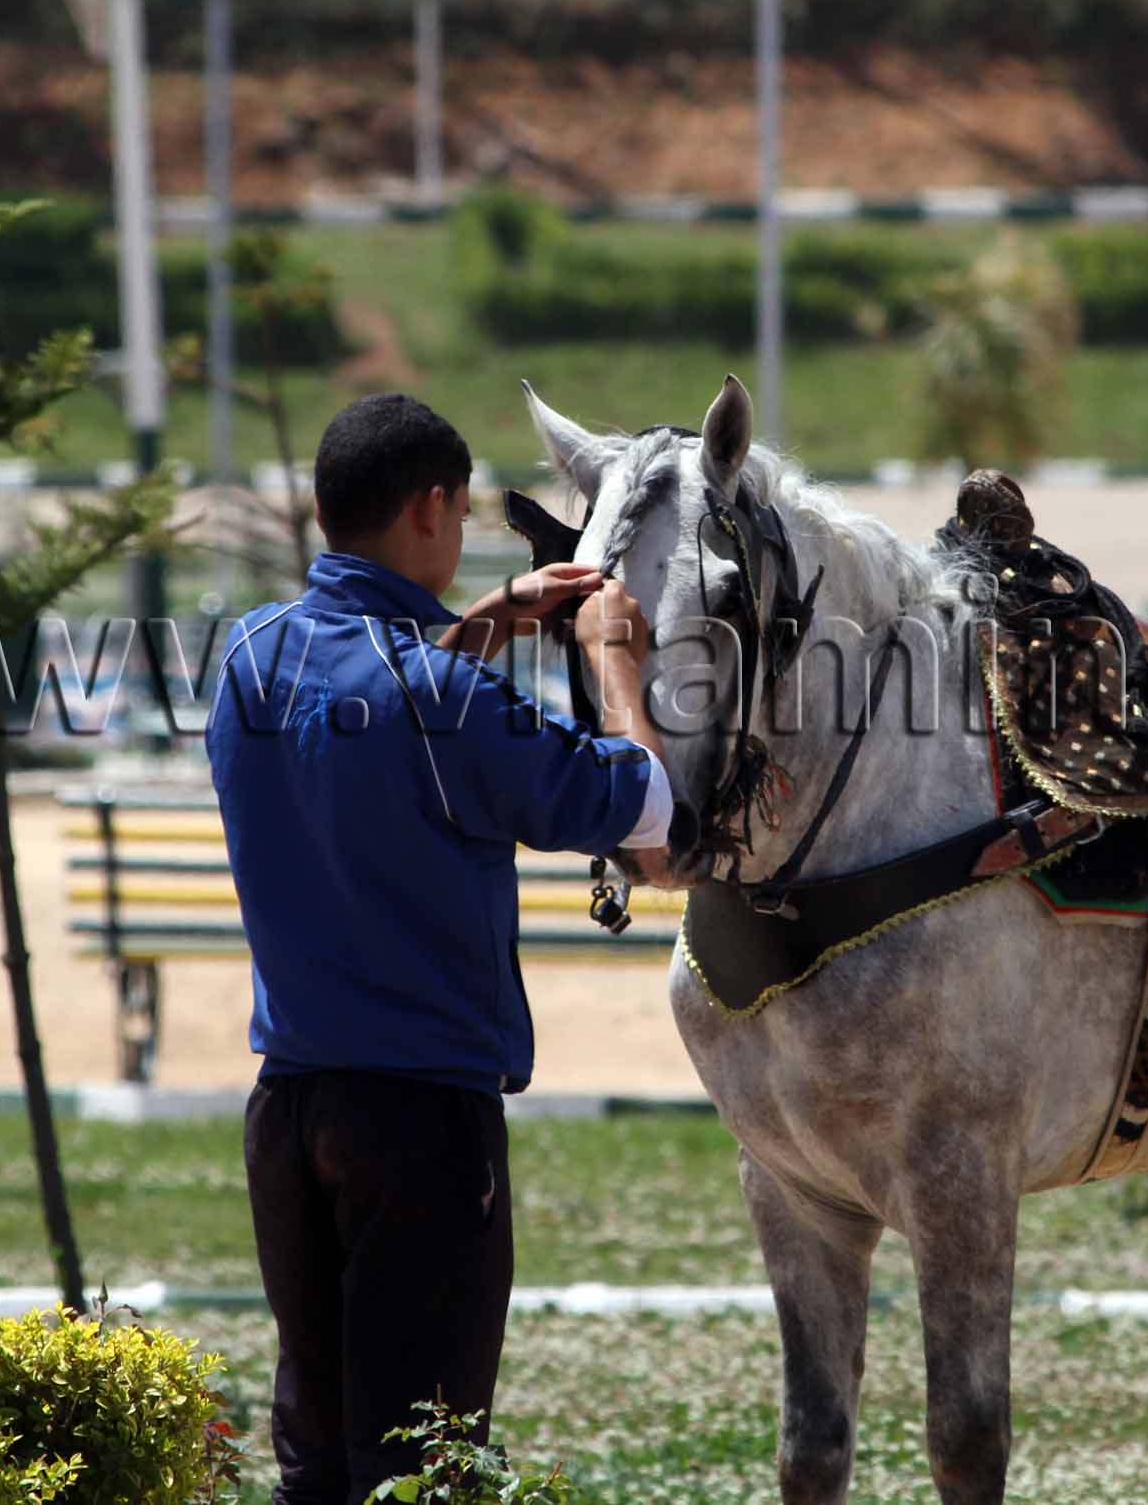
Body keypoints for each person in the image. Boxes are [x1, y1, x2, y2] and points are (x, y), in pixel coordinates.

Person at [207, 394, 673, 1505]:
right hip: (419, 1120)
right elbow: (641, 808)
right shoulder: (441, 694)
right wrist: (613, 663)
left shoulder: (251, 658)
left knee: (315, 1456)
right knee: (424, 1458)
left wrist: (481, 616)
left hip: (289, 1111)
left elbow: (380, 708)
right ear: (430, 506)